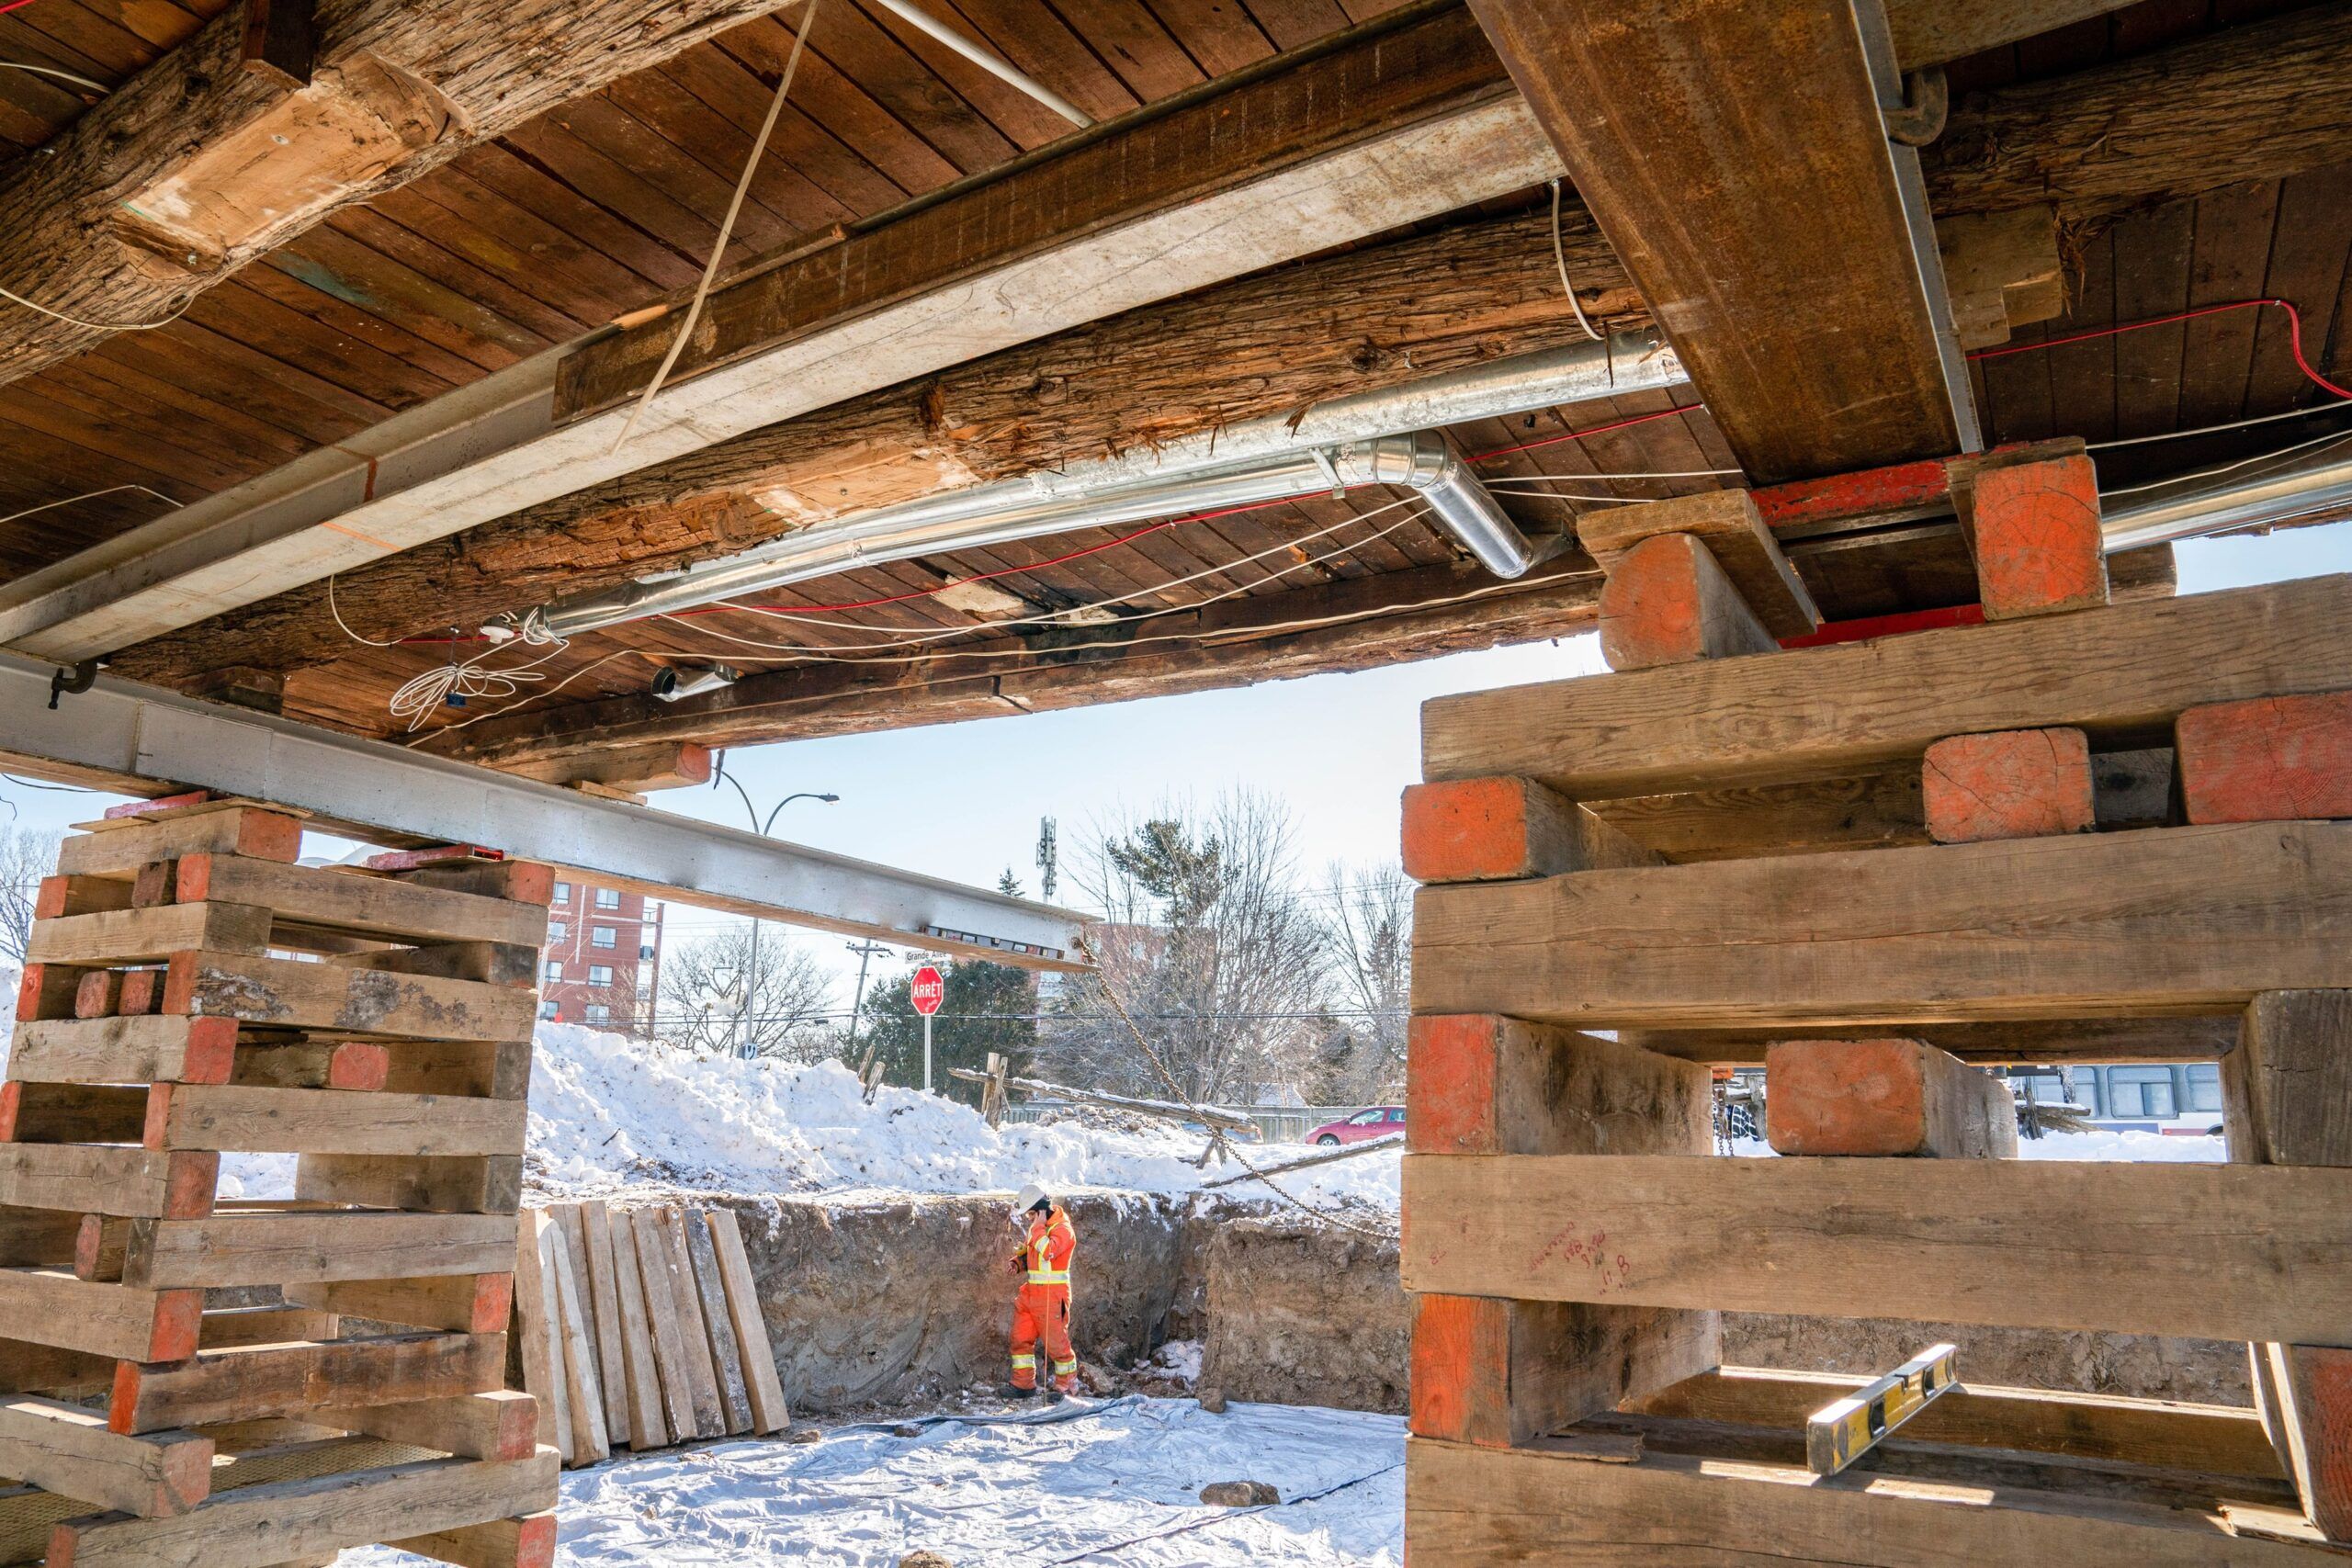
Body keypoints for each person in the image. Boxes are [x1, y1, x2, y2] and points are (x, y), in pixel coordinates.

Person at [1004, 1182, 1078, 1400]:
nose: (1029, 1219)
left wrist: (1038, 1228)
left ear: (1042, 1210)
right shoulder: (1038, 1227)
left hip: (1052, 1297)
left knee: (1057, 1344)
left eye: (1031, 1215)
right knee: (1020, 1339)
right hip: (1030, 1295)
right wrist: (1018, 1263)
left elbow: (1049, 1252)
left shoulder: (1062, 1229)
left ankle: (1067, 1387)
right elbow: (1033, 1254)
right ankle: (1023, 1384)